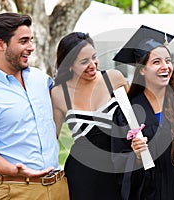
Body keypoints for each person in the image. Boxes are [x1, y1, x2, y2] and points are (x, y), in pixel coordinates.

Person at [111, 25, 174, 200]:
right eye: (156, 62)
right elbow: (118, 163)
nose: (165, 67)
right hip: (151, 194)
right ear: (142, 69)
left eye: (168, 60)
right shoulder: (127, 112)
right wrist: (137, 156)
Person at [0, 13, 69, 199]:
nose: (31, 47)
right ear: (1, 45)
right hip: (18, 190)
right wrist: (15, 170)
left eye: (31, 40)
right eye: (24, 41)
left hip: (60, 187)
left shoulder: (41, 79)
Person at [51, 32, 128, 199]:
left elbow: (135, 120)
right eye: (84, 62)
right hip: (83, 174)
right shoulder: (58, 93)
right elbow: (51, 139)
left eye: (94, 57)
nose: (93, 65)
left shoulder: (114, 78)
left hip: (119, 167)